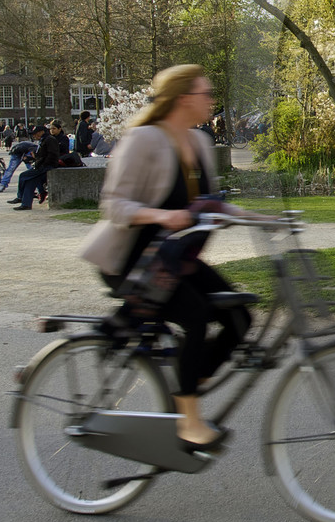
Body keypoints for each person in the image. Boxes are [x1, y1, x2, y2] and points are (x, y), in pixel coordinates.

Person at [79, 64, 264, 448]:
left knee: (239, 316)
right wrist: (161, 215)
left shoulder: (199, 142)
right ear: (183, 99)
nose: (212, 101)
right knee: (196, 317)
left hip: (174, 259)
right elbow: (114, 206)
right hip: (134, 261)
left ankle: (189, 381)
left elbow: (208, 203)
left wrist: (264, 220)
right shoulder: (143, 139)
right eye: (206, 94)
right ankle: (187, 422)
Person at [13, 121, 65, 209]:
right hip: (43, 165)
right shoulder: (44, 140)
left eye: (35, 133)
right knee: (30, 181)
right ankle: (26, 204)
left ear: (41, 132)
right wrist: (35, 157)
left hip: (47, 166)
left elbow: (52, 154)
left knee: (23, 176)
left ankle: (20, 197)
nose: (34, 136)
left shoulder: (49, 140)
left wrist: (42, 164)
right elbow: (43, 155)